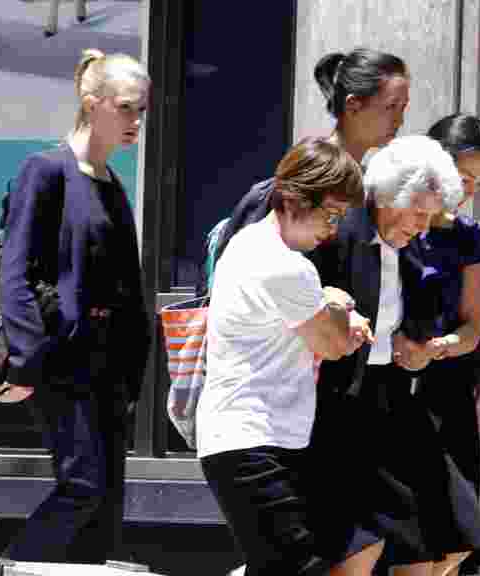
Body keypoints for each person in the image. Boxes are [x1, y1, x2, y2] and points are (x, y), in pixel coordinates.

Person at [310, 134, 480, 576]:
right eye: (418, 212)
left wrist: (418, 347)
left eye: (431, 217)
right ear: (390, 195)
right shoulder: (341, 230)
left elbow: (421, 315)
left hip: (391, 398)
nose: (423, 226)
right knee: (360, 549)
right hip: (334, 406)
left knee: (459, 535)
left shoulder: (409, 243)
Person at [0, 49, 152, 563]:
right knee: (82, 483)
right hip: (61, 360)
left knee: (106, 504)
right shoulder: (45, 171)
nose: (135, 121)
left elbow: (127, 289)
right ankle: (10, 569)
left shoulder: (113, 186)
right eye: (127, 108)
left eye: (141, 111)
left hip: (108, 367)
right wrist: (25, 360)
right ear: (92, 103)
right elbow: (16, 272)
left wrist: (132, 375)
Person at [197, 137, 373, 576]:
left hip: (255, 438)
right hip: (252, 440)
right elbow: (331, 344)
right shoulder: (285, 265)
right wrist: (336, 306)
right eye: (330, 215)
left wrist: (328, 306)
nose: (333, 229)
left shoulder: (248, 244)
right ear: (295, 199)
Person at [197, 47, 410, 296]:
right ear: (353, 105)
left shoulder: (367, 187)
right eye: (391, 106)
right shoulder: (301, 181)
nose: (400, 120)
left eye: (403, 107)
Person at [414, 114, 480, 576]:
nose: (468, 189)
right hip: (390, 393)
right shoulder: (395, 220)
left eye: (479, 182)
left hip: (447, 391)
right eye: (463, 176)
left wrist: (446, 345)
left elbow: (473, 327)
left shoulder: (468, 235)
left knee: (461, 536)